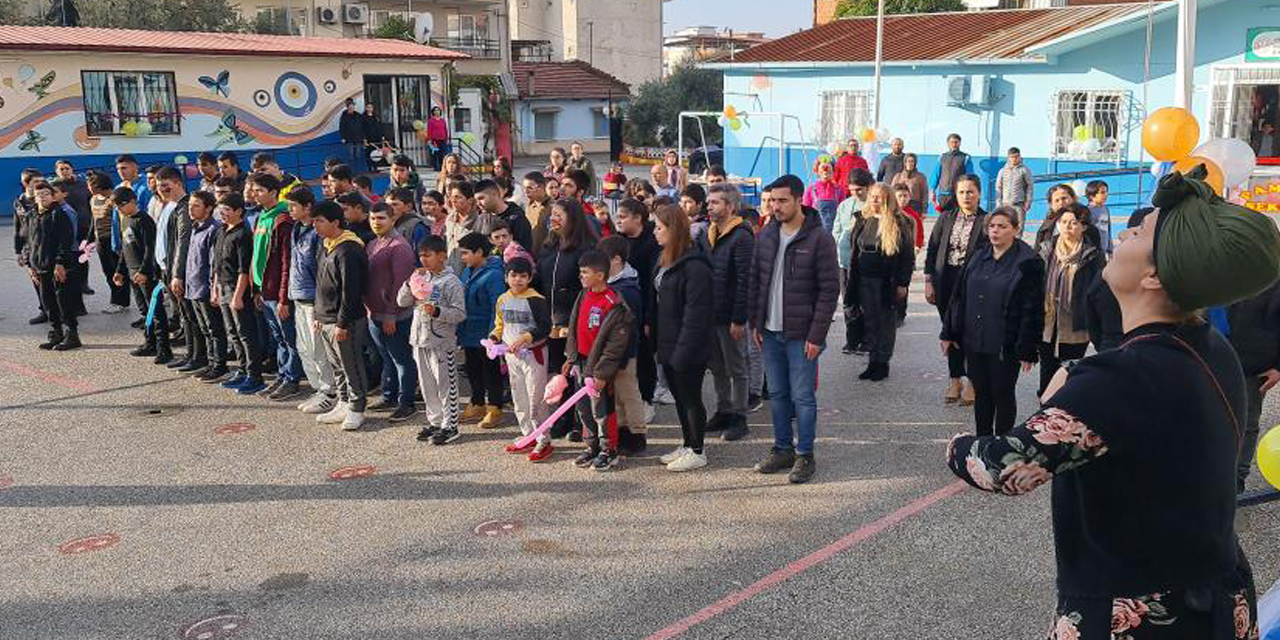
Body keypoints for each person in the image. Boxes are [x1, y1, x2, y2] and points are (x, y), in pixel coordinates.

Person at [946, 167, 1278, 640]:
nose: (1123, 233)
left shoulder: (1118, 378)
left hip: (1138, 611)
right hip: (1220, 594)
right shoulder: (1210, 345)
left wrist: (957, 444)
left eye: (1138, 231)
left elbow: (1001, 467)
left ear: (1153, 277)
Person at [748, 175, 839, 484]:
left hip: (802, 335)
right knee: (777, 394)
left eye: (782, 200)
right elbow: (756, 281)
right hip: (769, 333)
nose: (775, 206)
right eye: (772, 200)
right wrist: (756, 323)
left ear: (800, 200)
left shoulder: (818, 238)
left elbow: (829, 291)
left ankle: (805, 455)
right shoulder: (766, 234)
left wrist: (817, 336)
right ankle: (782, 449)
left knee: (803, 397)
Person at [940, 207, 1044, 436]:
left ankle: (1002, 444)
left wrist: (1028, 348)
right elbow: (958, 296)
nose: (995, 231)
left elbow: (1033, 308)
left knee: (1002, 392)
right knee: (981, 392)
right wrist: (948, 332)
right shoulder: (979, 255)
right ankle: (983, 442)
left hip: (1004, 343)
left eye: (1002, 227)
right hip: (974, 339)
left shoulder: (1029, 261)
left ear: (1016, 230)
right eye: (992, 226)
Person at [565, 249, 638, 471]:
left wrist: (601, 374)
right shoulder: (583, 294)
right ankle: (592, 446)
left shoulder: (614, 303)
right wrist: (571, 357)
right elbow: (573, 326)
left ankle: (609, 449)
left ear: (600, 275)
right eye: (580, 272)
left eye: (585, 272)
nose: (581, 276)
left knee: (602, 410)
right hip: (581, 362)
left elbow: (615, 346)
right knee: (583, 408)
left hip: (598, 368)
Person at [537, 198, 598, 440]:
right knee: (557, 371)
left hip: (573, 318)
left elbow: (587, 286)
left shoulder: (585, 247)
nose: (554, 218)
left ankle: (579, 422)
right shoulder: (548, 246)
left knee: (576, 370)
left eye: (559, 214)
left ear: (572, 218)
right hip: (550, 318)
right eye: (552, 213)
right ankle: (562, 417)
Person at [698, 184, 755, 442]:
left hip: (731, 315)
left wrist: (739, 318)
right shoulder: (709, 232)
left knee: (737, 366)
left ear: (730, 206)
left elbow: (745, 279)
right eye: (709, 202)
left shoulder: (741, 235)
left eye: (716, 202)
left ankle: (739, 417)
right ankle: (723, 409)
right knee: (718, 366)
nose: (709, 206)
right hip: (712, 312)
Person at [925, 174, 988, 405]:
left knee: (971, 334)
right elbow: (932, 250)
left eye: (970, 191)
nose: (966, 196)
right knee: (949, 331)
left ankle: (973, 381)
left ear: (979, 193)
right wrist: (929, 281)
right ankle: (954, 379)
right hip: (946, 281)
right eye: (961, 192)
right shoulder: (945, 217)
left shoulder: (986, 220)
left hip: (973, 285)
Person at [397, 235, 466, 445]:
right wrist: (409, 284)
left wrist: (437, 311)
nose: (423, 259)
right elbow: (401, 302)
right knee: (427, 385)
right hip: (420, 339)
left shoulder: (451, 281)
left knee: (446, 384)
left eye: (428, 255)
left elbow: (459, 313)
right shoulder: (422, 277)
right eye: (421, 255)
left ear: (442, 256)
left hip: (441, 341)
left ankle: (450, 425)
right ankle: (435, 421)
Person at [311, 200, 371, 431]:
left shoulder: (348, 249)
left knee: (351, 364)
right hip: (325, 317)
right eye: (314, 220)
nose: (315, 225)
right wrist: (318, 314)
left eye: (320, 221)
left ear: (335, 222)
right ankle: (344, 401)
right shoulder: (326, 245)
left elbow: (351, 291)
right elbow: (320, 283)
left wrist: (342, 322)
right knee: (337, 365)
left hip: (344, 320)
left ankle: (357, 407)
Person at [845, 183, 915, 381]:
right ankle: (871, 361)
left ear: (887, 199)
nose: (874, 200)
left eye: (879, 196)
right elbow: (854, 248)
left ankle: (882, 362)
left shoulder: (900, 222)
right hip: (863, 279)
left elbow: (907, 256)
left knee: (885, 322)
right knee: (869, 321)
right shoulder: (862, 219)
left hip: (886, 281)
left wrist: (903, 283)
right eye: (872, 196)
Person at [490, 256, 554, 460]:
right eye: (513, 275)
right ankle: (528, 435)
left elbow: (545, 327)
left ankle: (543, 439)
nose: (518, 280)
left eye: (523, 276)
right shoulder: (503, 299)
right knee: (519, 398)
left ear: (530, 278)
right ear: (506, 277)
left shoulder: (536, 299)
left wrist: (525, 338)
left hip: (534, 355)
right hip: (512, 357)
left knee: (536, 398)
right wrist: (494, 337)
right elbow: (500, 324)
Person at [1037, 203, 1105, 397]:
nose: (1067, 226)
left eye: (1074, 223)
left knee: (1069, 376)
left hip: (1076, 326)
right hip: (1048, 323)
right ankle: (1044, 414)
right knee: (1046, 376)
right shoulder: (1046, 251)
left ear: (1084, 227)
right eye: (1063, 221)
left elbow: (1099, 292)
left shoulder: (1093, 256)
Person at [364, 202, 419, 422]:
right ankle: (389, 395)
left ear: (392, 219)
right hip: (374, 313)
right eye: (373, 218)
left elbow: (400, 284)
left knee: (402, 359)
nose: (376, 223)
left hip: (394, 315)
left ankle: (407, 403)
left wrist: (391, 314)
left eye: (381, 218)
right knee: (386, 357)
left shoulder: (400, 247)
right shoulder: (373, 244)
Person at [285, 188, 336, 413]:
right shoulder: (296, 229)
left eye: (293, 206)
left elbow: (321, 273)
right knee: (304, 348)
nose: (290, 210)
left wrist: (319, 307)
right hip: (298, 297)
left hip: (313, 301)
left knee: (319, 350)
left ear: (307, 207)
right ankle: (318, 389)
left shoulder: (317, 235)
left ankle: (330, 391)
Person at [597, 235, 648, 454]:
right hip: (611, 352)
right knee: (617, 395)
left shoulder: (626, 289)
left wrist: (622, 353)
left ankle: (637, 435)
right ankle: (623, 431)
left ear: (616, 260)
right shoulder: (611, 285)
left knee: (629, 394)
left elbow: (628, 327)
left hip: (625, 352)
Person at [210, 194, 263, 394]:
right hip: (222, 287)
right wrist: (215, 289)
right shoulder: (222, 231)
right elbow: (217, 264)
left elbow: (243, 269)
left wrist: (238, 296)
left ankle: (254, 375)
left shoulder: (243, 235)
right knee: (233, 332)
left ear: (239, 211)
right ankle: (241, 370)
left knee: (246, 333)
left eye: (226, 210)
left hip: (236, 289)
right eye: (220, 210)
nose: (222, 214)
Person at [616, 198, 662, 415]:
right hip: (620, 309)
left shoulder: (653, 242)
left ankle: (646, 399)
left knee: (644, 355)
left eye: (623, 217)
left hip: (645, 305)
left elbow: (653, 283)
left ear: (638, 218)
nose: (618, 220)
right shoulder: (619, 241)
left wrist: (648, 317)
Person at [457, 232, 507, 429]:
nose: (463, 258)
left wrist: (493, 334)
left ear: (479, 252)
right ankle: (477, 402)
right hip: (468, 331)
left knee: (490, 371)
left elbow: (497, 305)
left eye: (466, 253)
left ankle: (495, 407)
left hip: (486, 332)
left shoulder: (494, 275)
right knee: (472, 369)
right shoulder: (467, 272)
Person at [24, 180, 81, 350]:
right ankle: (56, 333)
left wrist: (60, 263)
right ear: (34, 197)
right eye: (39, 194)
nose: (42, 197)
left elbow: (66, 241)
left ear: (52, 196)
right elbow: (29, 241)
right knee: (48, 302)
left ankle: (72, 335)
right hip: (40, 266)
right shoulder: (31, 215)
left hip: (57, 266)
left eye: (46, 194)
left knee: (63, 301)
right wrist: (30, 264)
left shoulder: (59, 213)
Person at [113, 187, 169, 360]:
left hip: (145, 273)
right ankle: (149, 342)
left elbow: (150, 249)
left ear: (132, 201)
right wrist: (120, 270)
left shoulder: (144, 221)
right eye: (115, 206)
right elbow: (125, 248)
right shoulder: (126, 220)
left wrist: (145, 271)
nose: (119, 209)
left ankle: (163, 348)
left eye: (121, 205)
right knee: (145, 311)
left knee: (156, 311)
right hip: (132, 272)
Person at [183, 191, 228, 380]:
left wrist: (213, 289)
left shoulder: (214, 230)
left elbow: (214, 263)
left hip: (205, 287)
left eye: (196, 206)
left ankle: (219, 365)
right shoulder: (195, 227)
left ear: (209, 208)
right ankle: (210, 362)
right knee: (204, 328)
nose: (191, 209)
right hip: (193, 286)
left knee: (214, 328)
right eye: (190, 205)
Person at [833, 168, 873, 354]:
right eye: (852, 190)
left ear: (868, 187)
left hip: (865, 264)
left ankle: (867, 340)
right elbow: (837, 230)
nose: (855, 193)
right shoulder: (844, 205)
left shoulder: (874, 206)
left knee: (865, 303)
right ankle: (852, 340)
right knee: (848, 302)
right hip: (844, 262)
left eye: (859, 190)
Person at [87, 172, 131, 313]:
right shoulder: (93, 199)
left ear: (98, 186)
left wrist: (121, 242)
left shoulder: (114, 199)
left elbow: (121, 222)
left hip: (114, 240)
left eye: (90, 185)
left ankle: (121, 301)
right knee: (108, 272)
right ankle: (115, 299)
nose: (88, 188)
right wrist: (89, 240)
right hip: (101, 241)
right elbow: (93, 221)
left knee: (119, 271)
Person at [445, 181, 494, 274]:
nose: (453, 201)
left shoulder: (480, 221)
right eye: (451, 197)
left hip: (471, 272)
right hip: (451, 269)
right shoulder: (450, 219)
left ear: (470, 200)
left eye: (458, 197)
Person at [475, 179, 531, 251]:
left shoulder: (517, 219)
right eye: (476, 200)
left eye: (481, 198)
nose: (478, 204)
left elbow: (523, 250)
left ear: (494, 194)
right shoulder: (482, 218)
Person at [802, 155, 848, 233]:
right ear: (818, 173)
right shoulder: (811, 189)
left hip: (834, 230)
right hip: (815, 230)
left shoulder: (839, 190)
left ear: (833, 172)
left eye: (829, 172)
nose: (825, 174)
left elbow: (843, 211)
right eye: (822, 172)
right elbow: (805, 211)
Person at [931, 133, 974, 212]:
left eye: (956, 142)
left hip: (958, 194)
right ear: (948, 143)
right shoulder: (942, 157)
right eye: (952, 142)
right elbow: (936, 175)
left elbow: (969, 177)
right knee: (943, 218)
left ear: (960, 143)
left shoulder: (965, 158)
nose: (954, 144)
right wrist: (932, 190)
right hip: (943, 194)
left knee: (958, 218)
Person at [994, 147, 1034, 224]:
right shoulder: (1002, 171)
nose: (1014, 159)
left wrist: (1028, 202)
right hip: (1005, 205)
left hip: (1019, 205)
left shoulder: (1024, 170)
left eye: (1016, 156)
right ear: (1008, 158)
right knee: (1005, 227)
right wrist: (998, 204)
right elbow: (998, 187)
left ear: (1019, 157)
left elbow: (1030, 186)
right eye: (1012, 157)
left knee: (1018, 228)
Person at [385, 187, 429, 252]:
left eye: (395, 205)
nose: (390, 209)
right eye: (387, 205)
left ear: (409, 206)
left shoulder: (417, 227)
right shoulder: (387, 225)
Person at [893, 182, 925, 251]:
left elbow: (919, 232)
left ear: (909, 197)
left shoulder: (913, 215)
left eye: (905, 196)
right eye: (900, 196)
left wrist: (917, 245)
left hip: (907, 249)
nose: (903, 199)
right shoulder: (889, 212)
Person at [1086, 180, 1113, 255]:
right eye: (1102, 192)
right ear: (1092, 195)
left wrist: (1110, 249)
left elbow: (1108, 230)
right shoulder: (1087, 211)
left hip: (1103, 252)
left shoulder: (1106, 209)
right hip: (1092, 251)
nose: (1106, 194)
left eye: (1106, 192)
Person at [339, 98, 365, 170]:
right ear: (347, 107)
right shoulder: (344, 116)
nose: (351, 108)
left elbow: (362, 127)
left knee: (358, 155)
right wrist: (343, 137)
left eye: (352, 106)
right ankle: (351, 171)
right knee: (350, 156)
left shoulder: (358, 115)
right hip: (349, 138)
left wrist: (363, 138)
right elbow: (342, 127)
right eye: (350, 107)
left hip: (358, 138)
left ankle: (358, 170)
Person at [362, 103, 386, 167]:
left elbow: (380, 127)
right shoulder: (363, 117)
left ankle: (377, 166)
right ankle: (370, 167)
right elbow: (362, 129)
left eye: (371, 107)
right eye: (368, 107)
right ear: (366, 108)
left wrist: (382, 136)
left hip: (377, 138)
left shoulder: (376, 117)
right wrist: (364, 138)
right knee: (369, 153)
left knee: (378, 153)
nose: (370, 109)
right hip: (369, 138)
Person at [426, 106, 450, 171]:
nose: (437, 112)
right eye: (435, 110)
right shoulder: (431, 121)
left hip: (442, 139)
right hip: (434, 140)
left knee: (442, 154)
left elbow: (445, 129)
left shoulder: (443, 120)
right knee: (435, 153)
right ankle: (436, 167)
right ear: (433, 112)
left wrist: (446, 138)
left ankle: (442, 167)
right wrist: (430, 139)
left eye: (438, 110)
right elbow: (429, 130)